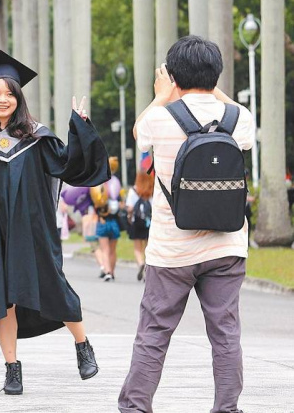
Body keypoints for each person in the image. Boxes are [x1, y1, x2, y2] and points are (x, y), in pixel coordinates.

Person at [0, 51, 109, 394]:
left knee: (53, 284)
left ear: (18, 98)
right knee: (1, 296)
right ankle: (12, 368)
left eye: (9, 93)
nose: (3, 99)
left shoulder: (35, 136)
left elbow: (70, 165)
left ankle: (82, 345)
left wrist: (81, 127)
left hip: (32, 228)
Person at [119, 36, 255, 413]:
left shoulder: (159, 118)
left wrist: (163, 94)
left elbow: (138, 134)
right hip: (227, 245)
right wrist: (214, 88)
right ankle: (227, 408)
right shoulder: (237, 118)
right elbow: (239, 117)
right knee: (226, 333)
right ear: (216, 73)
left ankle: (135, 406)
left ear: (172, 75)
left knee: (154, 333)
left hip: (172, 249)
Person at [91, 157, 123, 282]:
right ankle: (113, 272)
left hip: (102, 221)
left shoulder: (98, 184)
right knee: (113, 250)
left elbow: (94, 203)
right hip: (114, 222)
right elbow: (120, 202)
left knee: (105, 249)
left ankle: (108, 271)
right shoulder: (116, 183)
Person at [125, 158, 153, 282]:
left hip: (136, 222)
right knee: (148, 247)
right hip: (149, 222)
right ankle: (147, 270)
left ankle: (140, 263)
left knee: (137, 247)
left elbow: (129, 208)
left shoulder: (133, 191)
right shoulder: (153, 190)